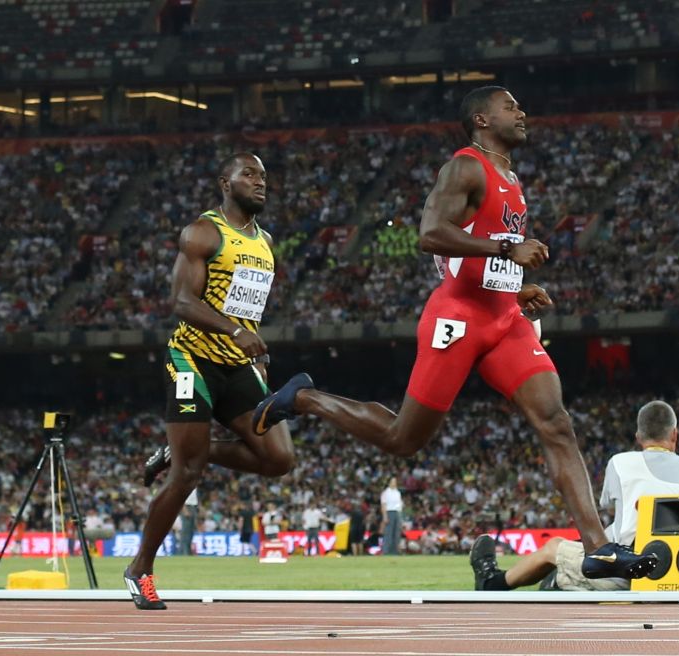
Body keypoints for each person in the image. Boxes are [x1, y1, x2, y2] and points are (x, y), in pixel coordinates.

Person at [252, 86, 657, 580]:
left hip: (503, 318)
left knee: (556, 421)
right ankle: (307, 398)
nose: (522, 111)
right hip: (458, 319)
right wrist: (508, 251)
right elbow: (430, 234)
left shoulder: (510, 175)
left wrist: (514, 288)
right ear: (482, 120)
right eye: (511, 107)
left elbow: (469, 256)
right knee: (404, 438)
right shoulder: (465, 166)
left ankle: (600, 548)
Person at [124, 152, 296, 611]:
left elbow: (248, 308)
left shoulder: (265, 241)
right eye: (250, 174)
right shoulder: (203, 232)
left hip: (238, 365)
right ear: (225, 182)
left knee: (279, 457)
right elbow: (181, 301)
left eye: (264, 175)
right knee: (188, 474)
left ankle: (178, 451)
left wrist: (253, 350)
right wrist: (236, 332)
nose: (260, 182)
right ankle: (140, 569)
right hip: (191, 362)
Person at [468, 400, 679, 592]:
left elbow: (616, 514)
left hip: (628, 573)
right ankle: (559, 582)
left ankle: (493, 582)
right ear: (674, 434)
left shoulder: (621, 463)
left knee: (553, 547)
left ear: (638, 437)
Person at [380, 476, 403, 555]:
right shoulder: (386, 493)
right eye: (393, 481)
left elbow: (400, 505)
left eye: (395, 481)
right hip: (389, 512)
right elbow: (383, 505)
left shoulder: (398, 492)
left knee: (396, 533)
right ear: (389, 482)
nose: (394, 483)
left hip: (397, 512)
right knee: (388, 533)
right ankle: (386, 551)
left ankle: (395, 551)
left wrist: (400, 515)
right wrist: (385, 516)